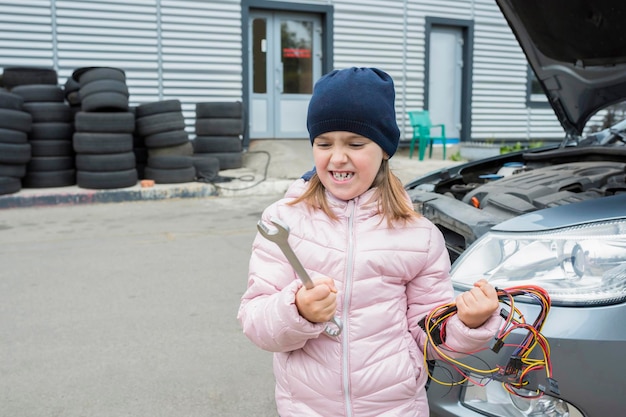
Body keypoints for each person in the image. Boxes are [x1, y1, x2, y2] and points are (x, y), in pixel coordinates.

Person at [237, 67, 501, 417]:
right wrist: (296, 311)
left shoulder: (418, 235)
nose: (338, 157)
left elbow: (430, 336)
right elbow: (256, 322)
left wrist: (468, 325)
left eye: (356, 143)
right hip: (307, 408)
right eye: (324, 143)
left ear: (384, 150)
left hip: (396, 406)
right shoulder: (284, 220)